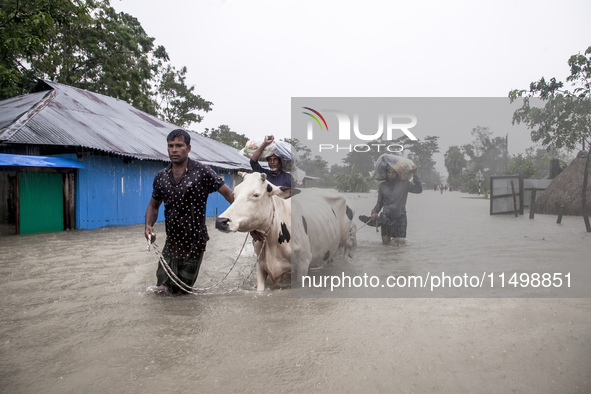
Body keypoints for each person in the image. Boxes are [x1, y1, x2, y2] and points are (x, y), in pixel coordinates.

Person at [145, 129, 234, 295]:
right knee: (161, 290)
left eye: (179, 145)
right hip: (171, 243)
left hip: (195, 243)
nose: (174, 149)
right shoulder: (161, 176)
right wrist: (148, 226)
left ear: (188, 148)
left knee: (182, 294)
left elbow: (229, 195)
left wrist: (248, 221)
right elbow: (153, 206)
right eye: (171, 146)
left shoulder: (203, 172)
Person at [370, 165, 422, 245]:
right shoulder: (382, 186)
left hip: (400, 217)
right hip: (385, 218)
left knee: (400, 243)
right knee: (385, 244)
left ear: (397, 173)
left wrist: (414, 174)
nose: (391, 174)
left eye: (393, 172)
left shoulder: (405, 184)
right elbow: (379, 203)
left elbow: (418, 189)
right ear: (386, 173)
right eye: (389, 172)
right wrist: (374, 212)